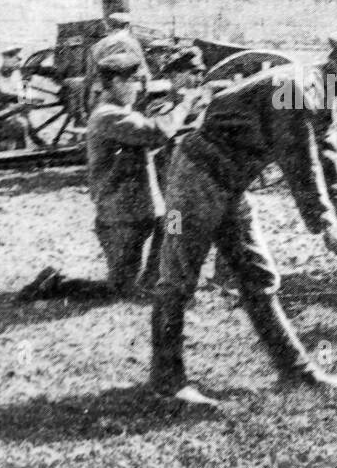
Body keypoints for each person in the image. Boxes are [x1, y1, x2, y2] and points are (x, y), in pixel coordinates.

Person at [148, 30, 337, 407]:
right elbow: (300, 164)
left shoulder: (319, 96)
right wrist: (324, 226)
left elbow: (331, 171)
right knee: (178, 277)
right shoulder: (292, 88)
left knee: (258, 276)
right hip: (194, 176)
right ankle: (167, 382)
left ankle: (296, 369)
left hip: (232, 183)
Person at [22, 53, 205, 301]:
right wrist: (184, 104)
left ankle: (156, 279)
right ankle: (55, 284)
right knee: (120, 289)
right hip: (119, 215)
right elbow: (156, 133)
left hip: (140, 209)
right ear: (118, 82)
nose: (139, 88)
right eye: (134, 82)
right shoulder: (108, 115)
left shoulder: (122, 110)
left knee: (173, 223)